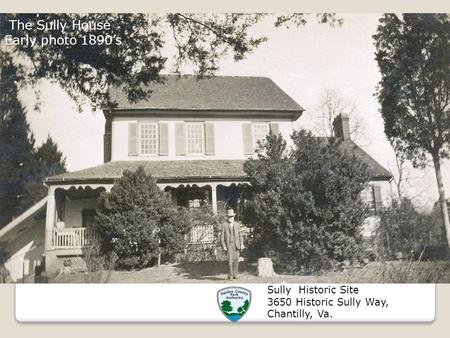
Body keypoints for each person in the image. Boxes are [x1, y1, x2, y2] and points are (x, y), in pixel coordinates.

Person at [220, 208, 244, 280]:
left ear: (234, 217)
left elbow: (240, 235)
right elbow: (221, 237)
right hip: (229, 245)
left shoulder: (237, 224)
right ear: (227, 217)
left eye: (232, 216)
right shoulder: (224, 225)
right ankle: (230, 276)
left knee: (236, 260)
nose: (231, 218)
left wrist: (242, 244)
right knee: (230, 261)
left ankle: (235, 275)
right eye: (229, 216)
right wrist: (224, 246)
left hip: (237, 245)